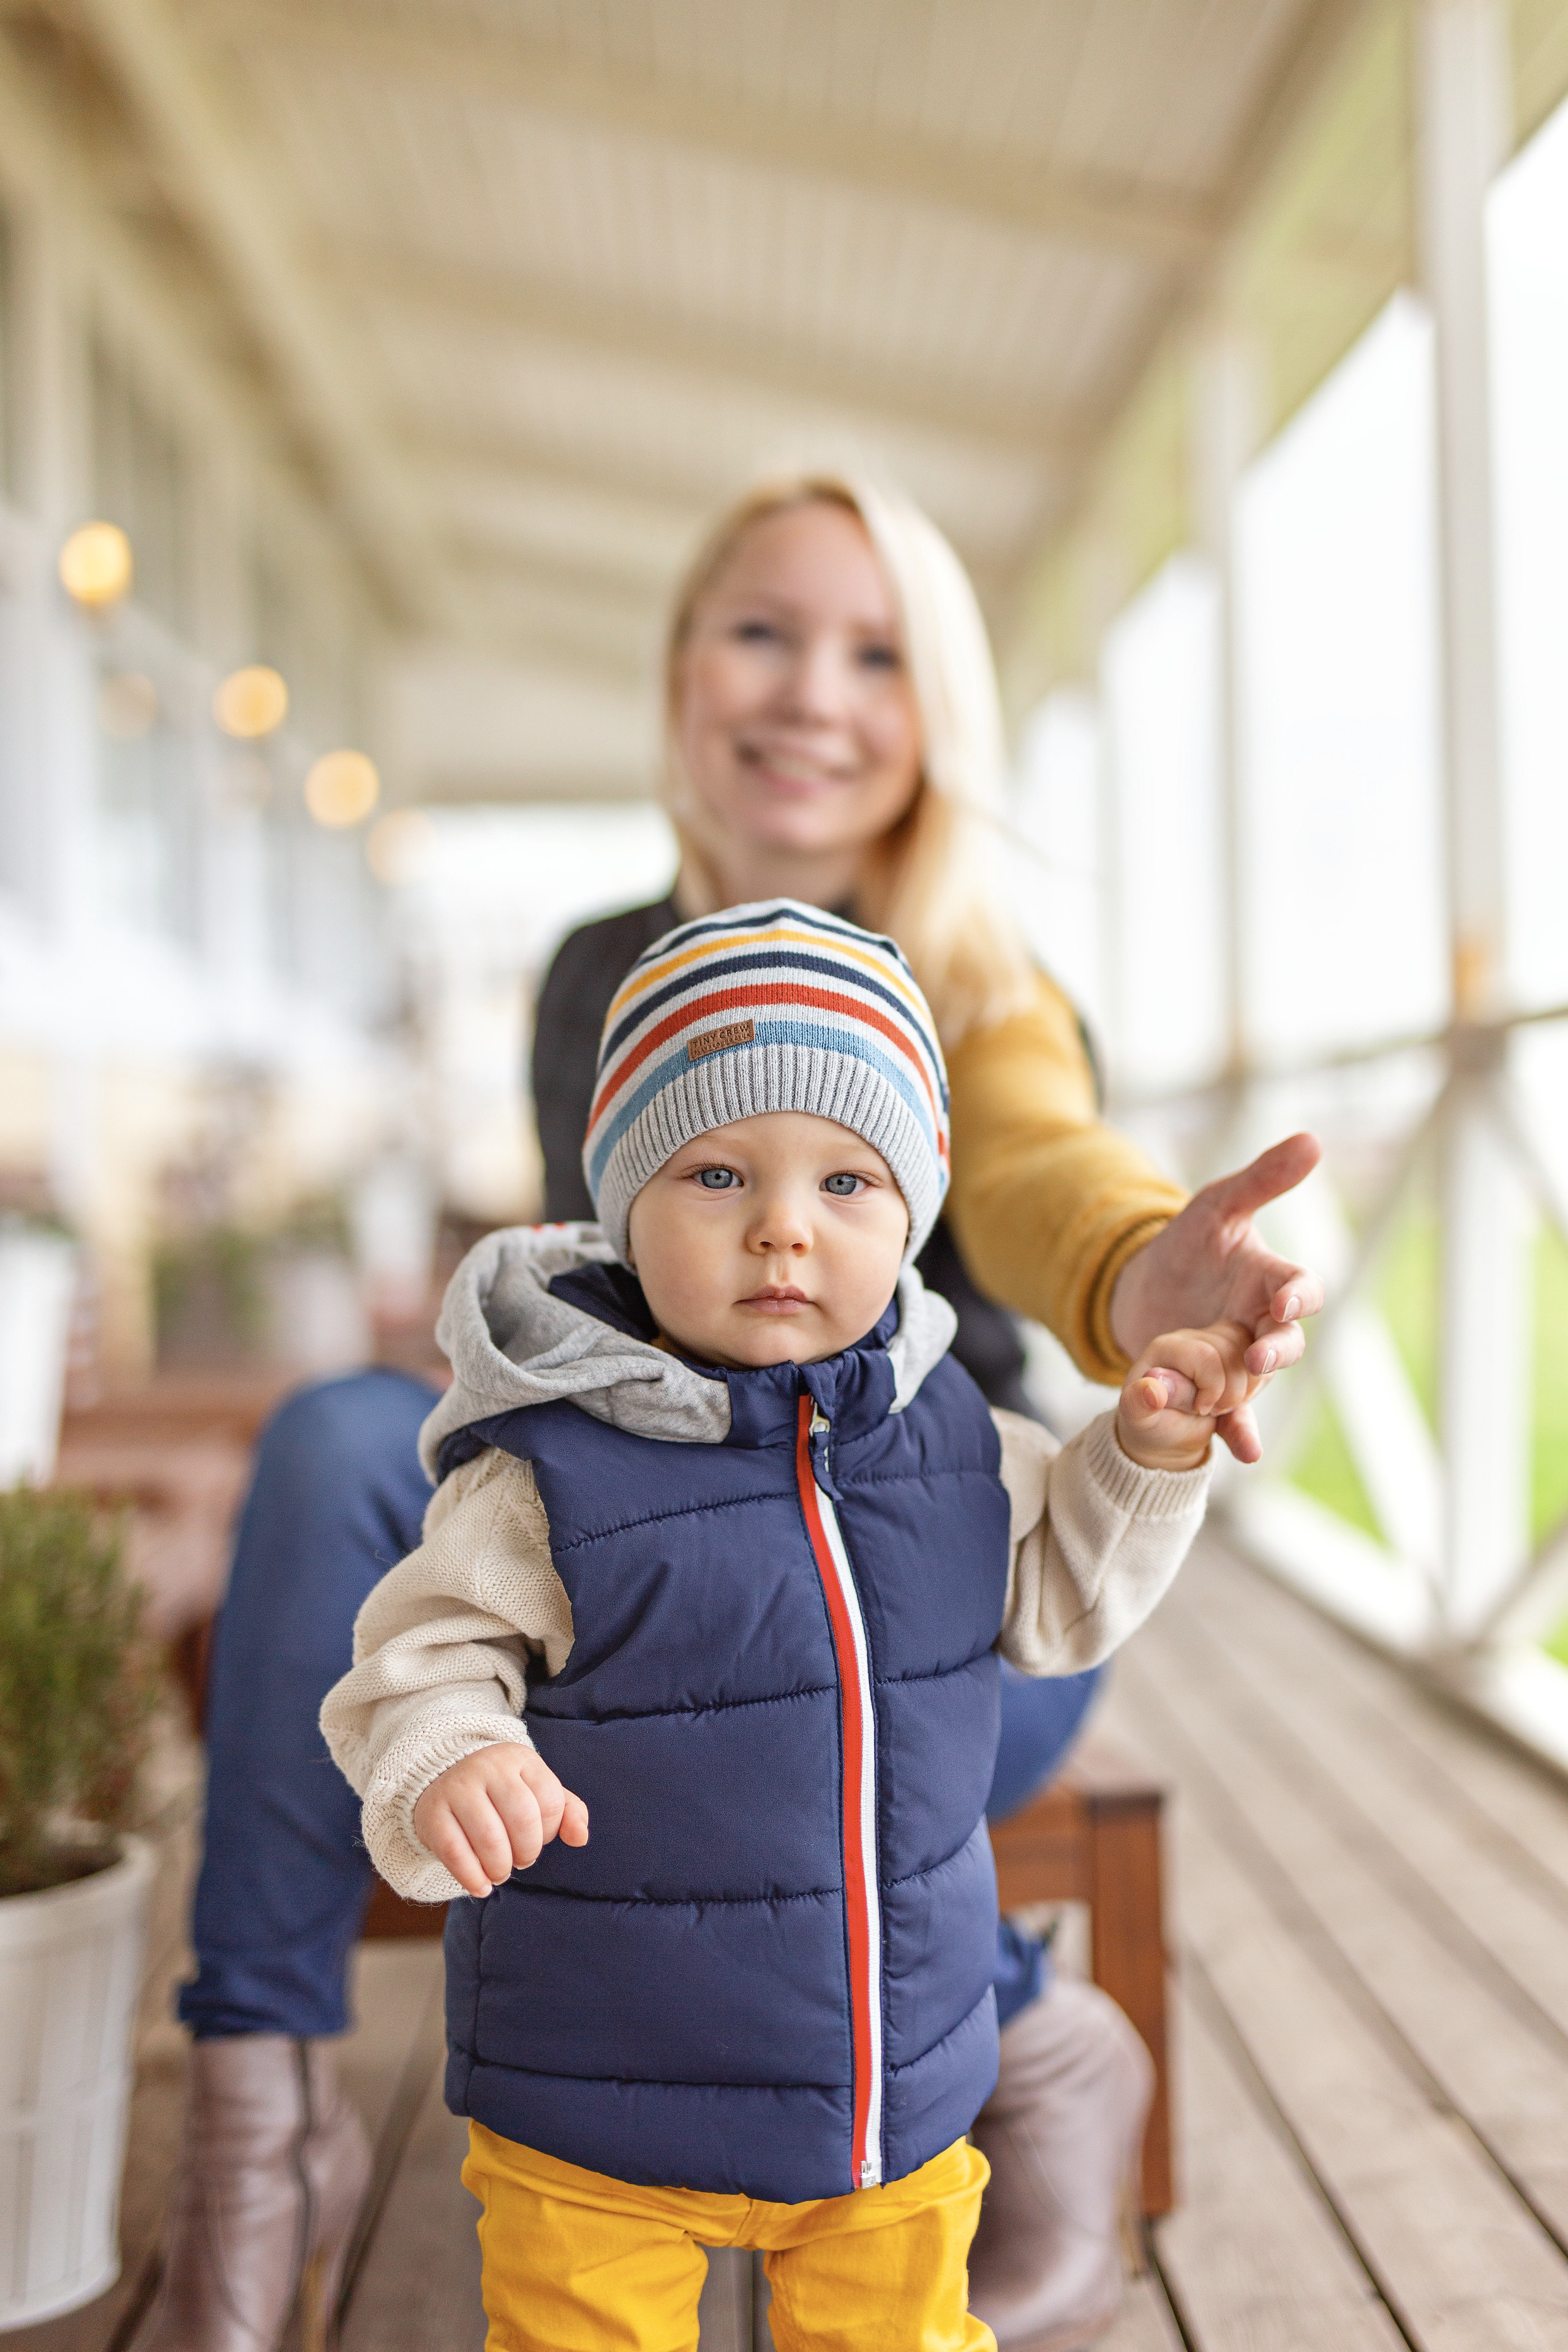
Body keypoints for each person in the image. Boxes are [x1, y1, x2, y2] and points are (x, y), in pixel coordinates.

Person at [139, 474, 1322, 2352]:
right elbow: (600, 1337)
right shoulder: (597, 974)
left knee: (731, 1687)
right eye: (764, 633)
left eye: (878, 655)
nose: (812, 694)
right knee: (342, 1448)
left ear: (936, 712)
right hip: (682, 1530)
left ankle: (1015, 2026)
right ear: (684, 668)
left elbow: (1038, 1166)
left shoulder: (982, 979)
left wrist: (1131, 1282)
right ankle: (256, 2138)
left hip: (946, 1567)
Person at [320, 905, 1251, 2352]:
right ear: (622, 1201)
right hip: (599, 2087)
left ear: (912, 1212)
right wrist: (452, 1754)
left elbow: (1059, 1600)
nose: (782, 1225)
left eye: (846, 1179)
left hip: (886, 2079)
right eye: (714, 1173)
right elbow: (416, 1660)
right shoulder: (547, 1469)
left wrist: (1143, 1452)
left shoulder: (956, 1438)